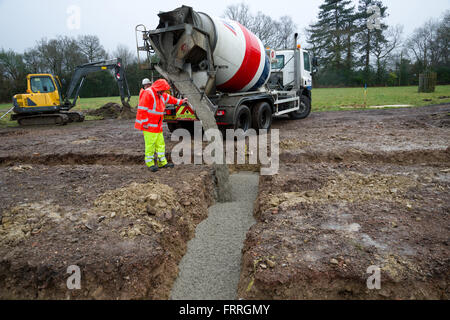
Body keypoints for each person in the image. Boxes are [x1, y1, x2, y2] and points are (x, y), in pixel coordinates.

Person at [135, 78, 187, 172]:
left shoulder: (161, 94)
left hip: (157, 125)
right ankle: (150, 164)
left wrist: (181, 102)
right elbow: (142, 109)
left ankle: (162, 162)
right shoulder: (148, 93)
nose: (163, 92)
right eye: (163, 90)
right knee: (150, 145)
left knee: (160, 144)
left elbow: (171, 99)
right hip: (149, 126)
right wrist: (145, 123)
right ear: (158, 88)